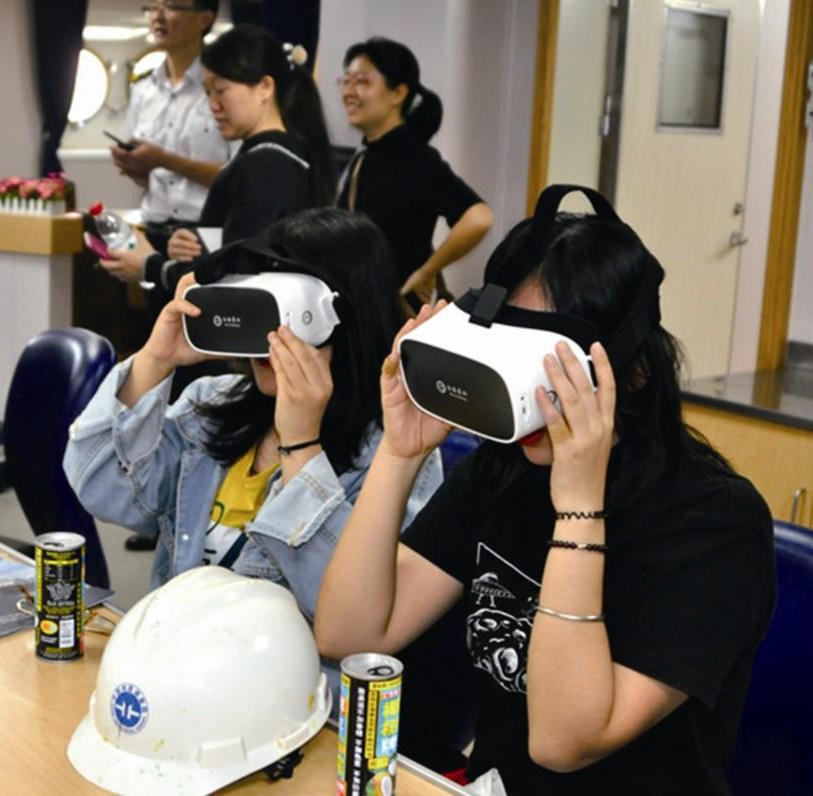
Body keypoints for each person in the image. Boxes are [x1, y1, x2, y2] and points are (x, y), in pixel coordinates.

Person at [314, 198, 775, 792]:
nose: (526, 392)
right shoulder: (504, 470)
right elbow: (350, 634)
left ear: (630, 372)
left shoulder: (714, 522)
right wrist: (401, 452)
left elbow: (562, 743)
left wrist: (579, 506)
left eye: (545, 364)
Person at [64, 207, 442, 623]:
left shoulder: (397, 453)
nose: (268, 337)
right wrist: (154, 360)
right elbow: (99, 488)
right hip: (173, 662)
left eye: (288, 313)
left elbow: (350, 618)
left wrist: (301, 445)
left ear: (342, 318)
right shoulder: (212, 406)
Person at [101, 23, 339, 553]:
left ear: (265, 87)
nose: (212, 104)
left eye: (221, 90)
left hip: (243, 351)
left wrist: (153, 265)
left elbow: (244, 281)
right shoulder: (280, 157)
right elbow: (239, 254)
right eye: (206, 91)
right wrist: (197, 250)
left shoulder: (267, 165)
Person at [337, 37, 493, 309]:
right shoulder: (364, 155)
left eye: (362, 81)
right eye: (346, 80)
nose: (349, 91)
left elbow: (478, 217)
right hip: (359, 309)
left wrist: (426, 271)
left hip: (393, 317)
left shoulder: (415, 158)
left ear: (398, 93)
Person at [102, 0, 229, 293]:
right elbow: (150, 178)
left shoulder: (220, 86)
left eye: (172, 6)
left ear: (205, 18)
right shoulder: (143, 89)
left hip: (203, 236)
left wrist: (165, 160)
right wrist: (135, 165)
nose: (158, 16)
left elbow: (235, 176)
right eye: (152, 6)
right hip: (156, 230)